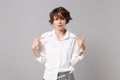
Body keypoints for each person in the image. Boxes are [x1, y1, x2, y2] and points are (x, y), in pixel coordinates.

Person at [32, 6, 86, 80]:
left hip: (66, 76)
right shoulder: (46, 37)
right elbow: (42, 59)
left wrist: (82, 49)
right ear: (52, 21)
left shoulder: (72, 38)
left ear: (66, 20)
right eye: (56, 19)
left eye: (62, 19)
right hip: (49, 76)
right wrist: (34, 49)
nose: (59, 22)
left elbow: (73, 61)